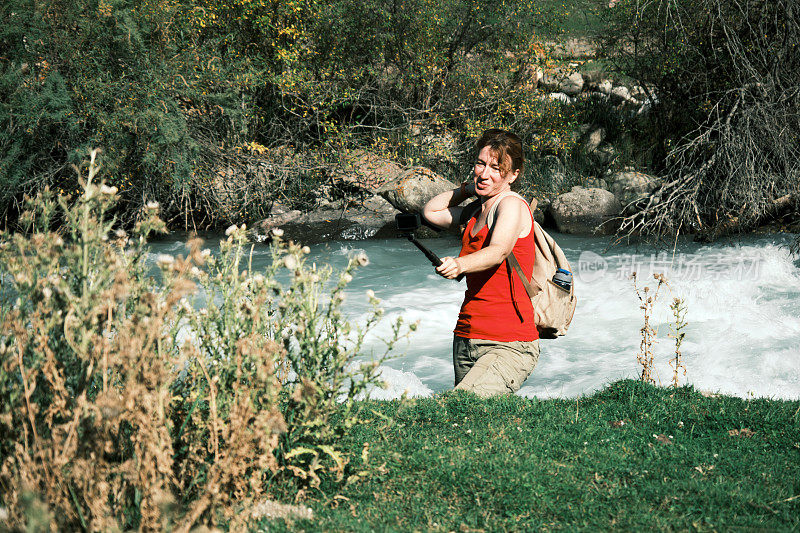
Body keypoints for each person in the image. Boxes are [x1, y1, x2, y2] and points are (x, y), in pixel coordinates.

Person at [422, 129, 539, 397]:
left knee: (461, 404)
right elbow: (431, 212)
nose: (485, 174)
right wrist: (468, 188)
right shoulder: (476, 210)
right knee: (469, 423)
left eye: (496, 168)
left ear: (513, 175)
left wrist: (460, 265)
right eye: (480, 164)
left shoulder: (511, 205)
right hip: (466, 335)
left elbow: (498, 250)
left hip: (508, 342)